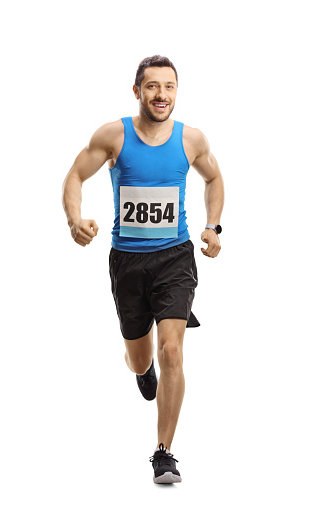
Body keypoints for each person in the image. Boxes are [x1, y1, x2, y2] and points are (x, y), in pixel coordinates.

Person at [62, 55, 224, 484]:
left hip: (175, 257)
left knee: (173, 350)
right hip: (127, 263)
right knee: (140, 359)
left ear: (176, 92)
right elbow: (76, 176)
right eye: (152, 87)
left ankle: (164, 452)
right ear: (137, 91)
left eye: (169, 87)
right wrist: (74, 219)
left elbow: (214, 179)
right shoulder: (113, 135)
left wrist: (212, 226)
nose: (161, 95)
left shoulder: (191, 140)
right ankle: (142, 369)